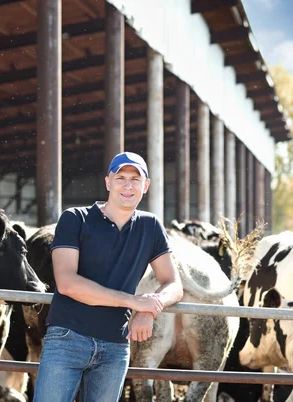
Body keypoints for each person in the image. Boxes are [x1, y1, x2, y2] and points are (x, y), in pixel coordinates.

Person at [33, 151, 184, 402]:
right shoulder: (75, 219)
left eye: (135, 179)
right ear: (108, 182)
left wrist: (148, 310)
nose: (127, 185)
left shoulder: (150, 226)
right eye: (120, 177)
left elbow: (174, 284)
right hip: (68, 339)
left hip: (115, 346)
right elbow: (68, 283)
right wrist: (133, 302)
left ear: (145, 186)